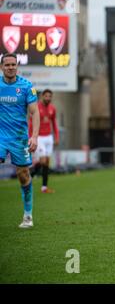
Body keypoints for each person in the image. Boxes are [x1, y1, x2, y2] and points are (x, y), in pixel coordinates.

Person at [0, 53, 40, 228]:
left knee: (23, 174)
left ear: (17, 66)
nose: (10, 67)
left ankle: (28, 216)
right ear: (1, 67)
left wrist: (35, 136)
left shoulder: (26, 86)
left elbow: (34, 112)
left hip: (19, 138)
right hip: (1, 136)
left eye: (13, 65)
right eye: (7, 65)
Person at [29, 89, 59, 193]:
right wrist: (31, 137)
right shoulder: (36, 107)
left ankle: (44, 187)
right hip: (39, 137)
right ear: (42, 96)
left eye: (50, 96)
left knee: (46, 163)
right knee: (43, 161)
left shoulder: (52, 108)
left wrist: (56, 137)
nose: (48, 98)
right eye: (46, 96)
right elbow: (31, 123)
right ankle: (29, 176)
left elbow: (54, 123)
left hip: (49, 138)